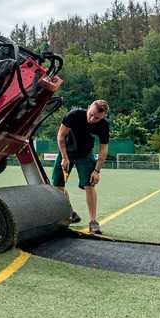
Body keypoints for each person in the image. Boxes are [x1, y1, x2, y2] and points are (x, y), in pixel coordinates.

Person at [52, 99, 110, 234]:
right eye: (91, 114)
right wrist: (65, 158)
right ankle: (71, 212)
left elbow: (103, 150)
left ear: (103, 117)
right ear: (89, 107)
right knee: (58, 186)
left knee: (89, 185)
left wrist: (97, 171)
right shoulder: (74, 115)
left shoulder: (103, 126)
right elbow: (61, 136)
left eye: (97, 118)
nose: (92, 119)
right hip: (66, 151)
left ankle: (93, 221)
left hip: (85, 155)